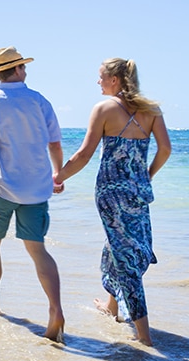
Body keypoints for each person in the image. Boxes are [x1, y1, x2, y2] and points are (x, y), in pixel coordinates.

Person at [53, 58, 171, 346]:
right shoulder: (151, 110)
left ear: (115, 79)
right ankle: (111, 306)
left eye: (101, 77)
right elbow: (166, 149)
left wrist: (57, 176)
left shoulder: (104, 109)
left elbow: (83, 155)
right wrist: (146, 176)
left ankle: (144, 336)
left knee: (125, 256)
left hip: (110, 193)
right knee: (117, 247)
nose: (98, 82)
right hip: (138, 192)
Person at [0, 46, 65, 343]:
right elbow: (54, 143)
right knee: (38, 251)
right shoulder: (39, 100)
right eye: (24, 67)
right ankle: (55, 309)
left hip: (3, 187)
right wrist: (58, 174)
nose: (26, 71)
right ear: (18, 70)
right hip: (37, 189)